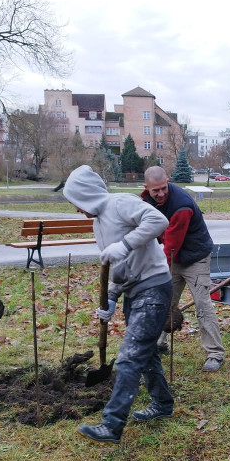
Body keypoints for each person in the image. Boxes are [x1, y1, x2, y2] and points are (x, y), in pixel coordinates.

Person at [63, 165, 175, 444]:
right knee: (145, 354)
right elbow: (120, 267)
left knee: (129, 356)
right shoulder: (98, 223)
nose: (77, 210)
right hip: (134, 291)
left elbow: (158, 221)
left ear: (86, 196)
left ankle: (111, 425)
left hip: (154, 287)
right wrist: (111, 297)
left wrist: (125, 244)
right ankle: (163, 404)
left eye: (76, 203)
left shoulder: (120, 203)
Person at [140, 165, 225, 372]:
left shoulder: (181, 206)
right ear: (147, 188)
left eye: (163, 188)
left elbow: (171, 246)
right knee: (164, 301)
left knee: (202, 305)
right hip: (172, 255)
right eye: (155, 190)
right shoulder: (145, 200)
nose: (160, 194)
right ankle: (160, 343)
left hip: (195, 257)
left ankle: (215, 354)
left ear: (167, 181)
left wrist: (157, 271)